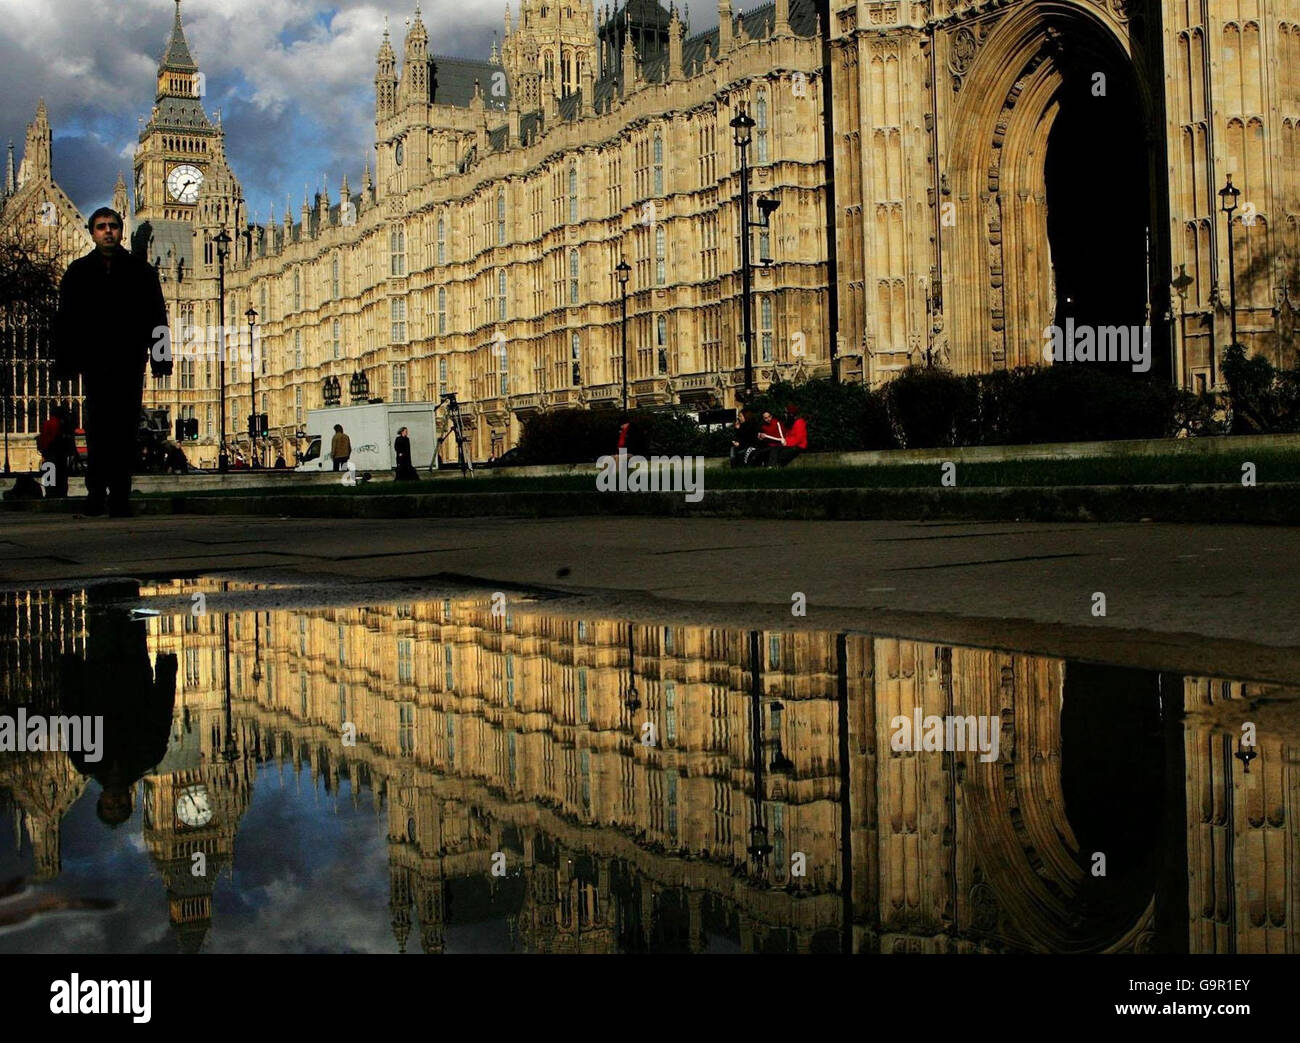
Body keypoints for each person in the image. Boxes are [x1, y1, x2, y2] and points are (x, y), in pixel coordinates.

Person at [53, 207, 170, 517]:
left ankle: (119, 495)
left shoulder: (141, 272)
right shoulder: (77, 272)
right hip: (94, 360)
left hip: (129, 360)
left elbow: (158, 316)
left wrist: (161, 359)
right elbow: (65, 320)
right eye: (102, 227)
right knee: (97, 428)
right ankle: (95, 493)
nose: (108, 231)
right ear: (92, 233)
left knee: (125, 429)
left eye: (113, 227)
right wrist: (64, 362)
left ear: (121, 231)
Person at [37, 405, 75, 497]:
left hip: (49, 453)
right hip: (59, 454)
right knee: (61, 477)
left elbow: (44, 438)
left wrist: (43, 450)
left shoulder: (48, 423)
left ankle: (50, 493)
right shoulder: (63, 424)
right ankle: (60, 493)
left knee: (49, 476)